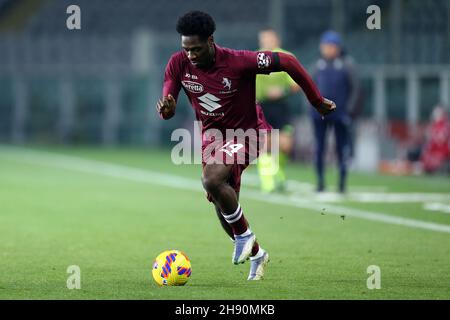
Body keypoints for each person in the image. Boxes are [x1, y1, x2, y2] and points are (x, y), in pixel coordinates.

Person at [156, 11, 336, 280]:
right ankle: (257, 253)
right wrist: (167, 108)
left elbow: (287, 61)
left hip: (247, 133)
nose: (190, 55)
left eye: (196, 49)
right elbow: (167, 102)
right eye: (186, 49)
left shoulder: (238, 61)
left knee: (211, 179)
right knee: (222, 205)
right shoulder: (178, 63)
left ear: (211, 41)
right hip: (213, 140)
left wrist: (316, 99)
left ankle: (245, 235)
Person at [311, 30, 359, 193]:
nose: (328, 49)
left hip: (340, 115)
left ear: (338, 47)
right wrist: (312, 108)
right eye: (325, 46)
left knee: (342, 149)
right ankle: (320, 182)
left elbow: (355, 89)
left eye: (331, 46)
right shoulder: (318, 65)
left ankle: (342, 183)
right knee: (319, 148)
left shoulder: (347, 64)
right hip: (320, 114)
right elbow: (309, 88)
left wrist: (349, 111)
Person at [255, 28, 300, 193]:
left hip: (281, 106)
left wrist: (282, 91)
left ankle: (278, 172)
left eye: (269, 38)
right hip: (261, 106)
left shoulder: (286, 58)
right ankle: (267, 181)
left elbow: (297, 83)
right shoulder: (254, 59)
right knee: (266, 144)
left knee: (286, 144)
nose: (266, 42)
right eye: (263, 39)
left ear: (276, 40)